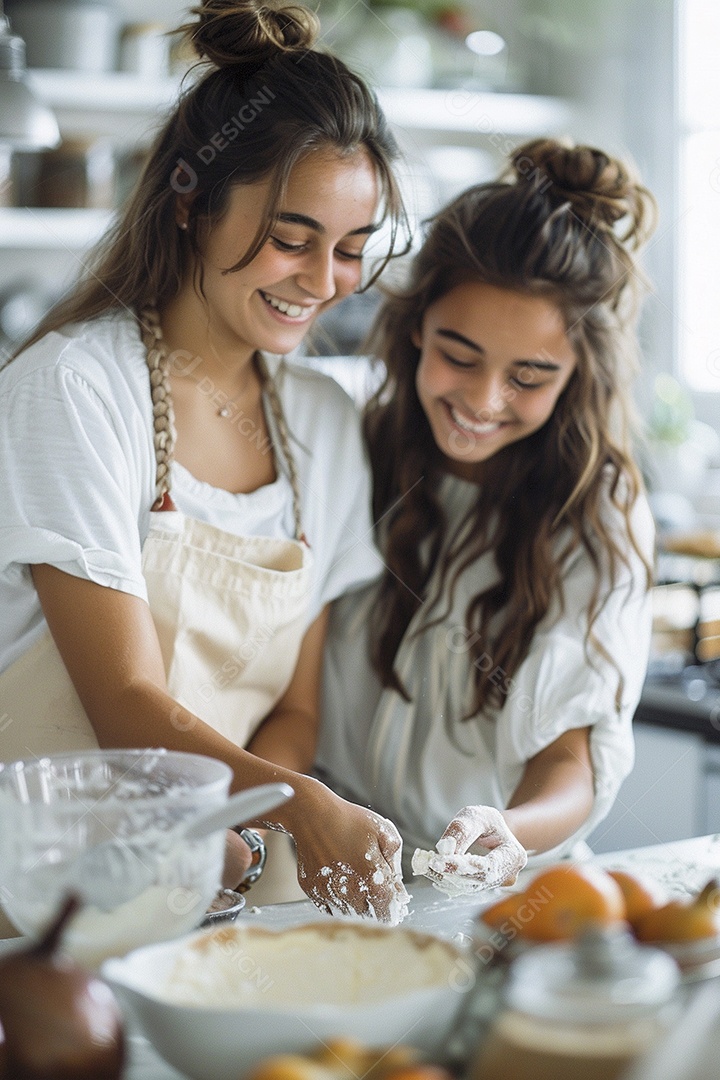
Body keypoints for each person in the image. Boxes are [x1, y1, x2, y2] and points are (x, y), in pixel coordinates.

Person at [0, 0, 412, 923]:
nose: (323, 281)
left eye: (351, 250)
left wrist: (250, 833)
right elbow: (124, 700)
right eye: (291, 238)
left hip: (219, 883)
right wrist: (297, 806)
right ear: (192, 203)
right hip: (42, 898)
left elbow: (294, 710)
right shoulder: (74, 387)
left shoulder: (321, 424)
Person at [317, 138, 657, 892]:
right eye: (460, 355)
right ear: (415, 325)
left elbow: (569, 758)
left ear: (576, 376)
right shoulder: (352, 448)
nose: (482, 400)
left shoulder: (596, 511)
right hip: (332, 871)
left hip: (497, 889)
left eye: (529, 377)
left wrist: (506, 831)